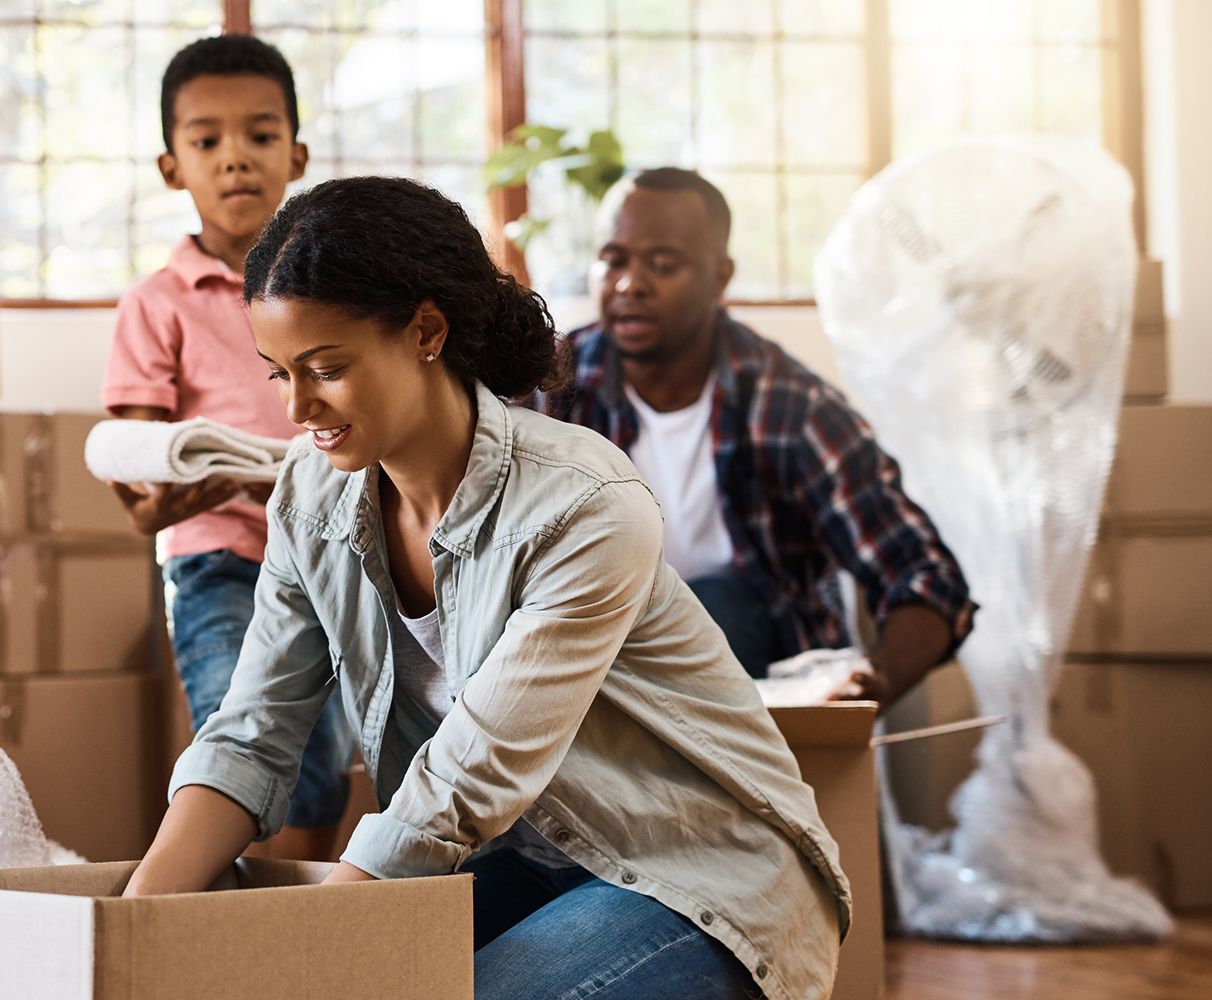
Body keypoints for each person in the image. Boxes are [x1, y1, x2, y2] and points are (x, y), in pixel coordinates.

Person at [124, 177, 848, 1000]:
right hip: (513, 863)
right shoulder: (309, 495)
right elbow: (253, 734)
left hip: (690, 876)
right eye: (278, 374)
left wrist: (313, 957)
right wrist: (130, 936)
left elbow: (468, 776)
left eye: (325, 368)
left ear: (426, 331)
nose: (298, 407)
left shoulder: (584, 506)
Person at [524, 168, 974, 704]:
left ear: (720, 277)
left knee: (714, 603)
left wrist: (869, 684)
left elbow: (926, 578)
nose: (629, 284)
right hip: (595, 684)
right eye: (613, 260)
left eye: (663, 264)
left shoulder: (793, 407)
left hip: (756, 697)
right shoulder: (555, 390)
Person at [101, 34, 352, 860]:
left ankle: (303, 921)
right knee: (239, 739)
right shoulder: (157, 303)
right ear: (172, 166)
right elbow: (140, 481)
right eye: (207, 141)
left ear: (298, 153)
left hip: (334, 550)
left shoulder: (338, 291)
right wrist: (197, 485)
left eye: (260, 135)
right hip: (218, 558)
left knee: (323, 758)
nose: (236, 159)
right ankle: (234, 927)